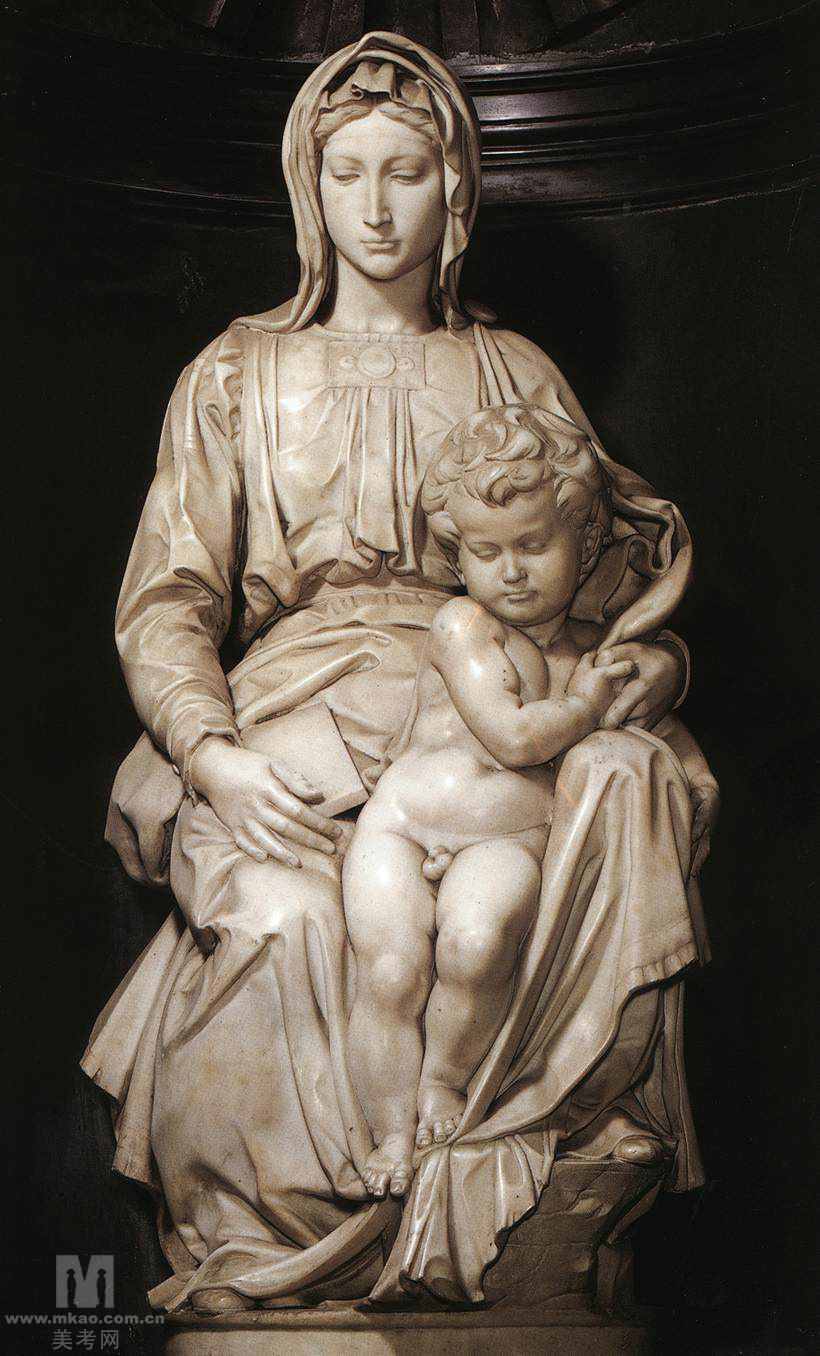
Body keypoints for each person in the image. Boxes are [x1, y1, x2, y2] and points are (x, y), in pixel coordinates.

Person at [82, 33, 701, 1313]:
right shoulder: (237, 373)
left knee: (555, 849)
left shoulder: (510, 371)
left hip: (479, 725)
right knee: (283, 922)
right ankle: (277, 1256)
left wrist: (654, 662)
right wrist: (211, 756)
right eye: (346, 172)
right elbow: (168, 604)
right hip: (286, 724)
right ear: (306, 189)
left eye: (405, 172)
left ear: (454, 189)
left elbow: (598, 570)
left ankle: (474, 1184)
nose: (374, 208)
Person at [345, 404, 717, 1199]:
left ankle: (442, 1081)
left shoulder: (595, 655)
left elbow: (660, 733)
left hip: (505, 843)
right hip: (404, 830)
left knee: (477, 947)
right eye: (486, 551)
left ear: (587, 541)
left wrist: (696, 776)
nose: (510, 570)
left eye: (533, 545)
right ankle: (389, 1132)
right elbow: (514, 738)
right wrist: (582, 708)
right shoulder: (464, 627)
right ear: (459, 556)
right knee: (392, 971)